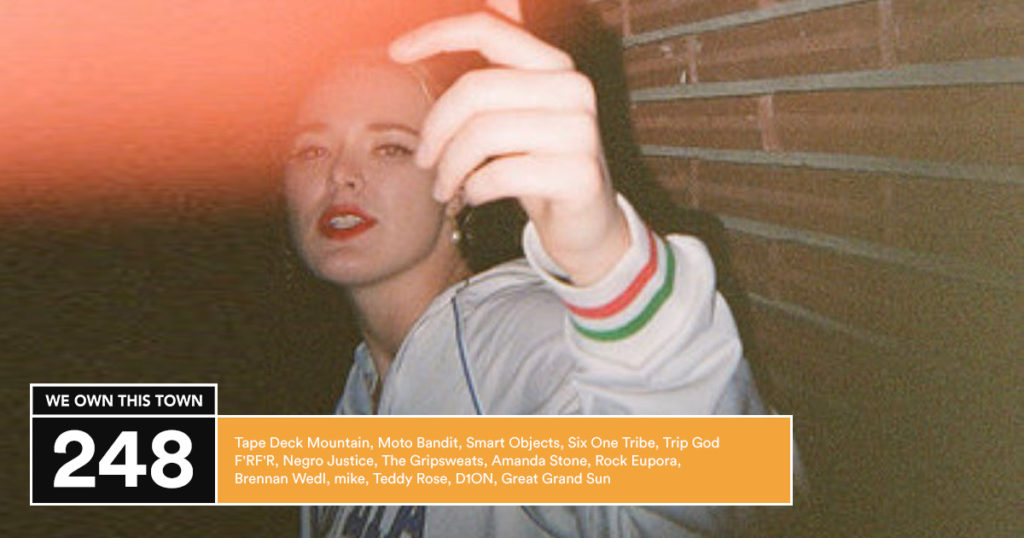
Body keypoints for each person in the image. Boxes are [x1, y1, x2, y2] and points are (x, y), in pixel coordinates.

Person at [286, 11, 770, 538]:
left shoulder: (518, 340)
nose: (339, 174)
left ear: (458, 185)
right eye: (312, 150)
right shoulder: (355, 399)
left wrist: (609, 267)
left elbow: (728, 484)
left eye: (390, 147)